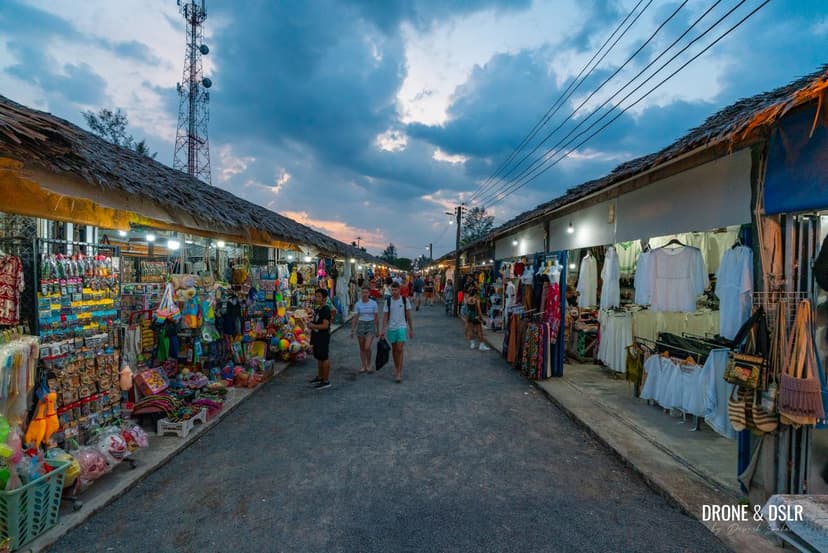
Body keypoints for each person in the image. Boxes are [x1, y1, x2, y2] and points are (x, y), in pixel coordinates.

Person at [380, 282, 413, 382]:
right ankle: (396, 366)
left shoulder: (404, 300)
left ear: (399, 290)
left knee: (399, 349)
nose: (394, 292)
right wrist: (383, 329)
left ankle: (398, 372)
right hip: (391, 328)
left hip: (402, 327)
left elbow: (408, 315)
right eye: (392, 290)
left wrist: (411, 328)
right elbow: (385, 316)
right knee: (394, 350)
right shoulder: (388, 301)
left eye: (395, 290)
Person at [351, 285, 379, 374]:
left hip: (371, 324)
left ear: (369, 293)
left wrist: (378, 329)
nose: (364, 294)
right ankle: (363, 365)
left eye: (366, 292)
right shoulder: (357, 304)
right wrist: (352, 330)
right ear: (360, 293)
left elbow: (376, 317)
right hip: (361, 324)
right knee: (362, 347)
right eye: (363, 292)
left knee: (367, 347)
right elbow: (355, 318)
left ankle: (369, 364)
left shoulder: (373, 303)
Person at [308, 288, 332, 389]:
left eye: (319, 296)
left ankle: (326, 380)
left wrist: (313, 326)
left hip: (323, 337)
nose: (317, 298)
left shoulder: (326, 309)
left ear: (324, 298)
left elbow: (325, 325)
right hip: (317, 337)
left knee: (324, 357)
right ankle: (320, 377)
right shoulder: (319, 309)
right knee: (319, 357)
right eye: (316, 296)